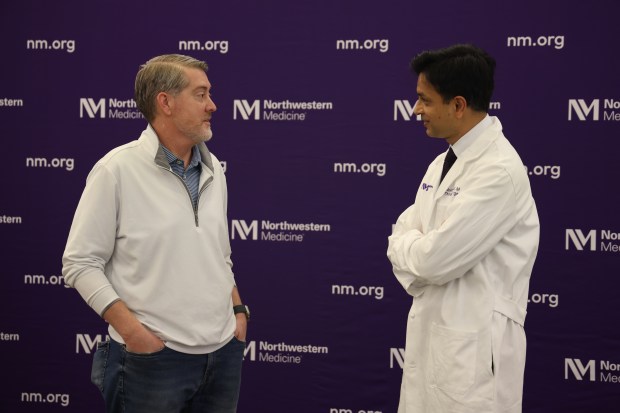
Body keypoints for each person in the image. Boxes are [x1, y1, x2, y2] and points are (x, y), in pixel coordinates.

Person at [62, 54, 249, 413]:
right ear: (165, 102)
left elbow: (219, 254)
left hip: (223, 354)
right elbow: (80, 263)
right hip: (152, 361)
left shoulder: (214, 170)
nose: (213, 105)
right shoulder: (116, 170)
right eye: (200, 94)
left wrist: (237, 312)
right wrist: (134, 334)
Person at [387, 44, 539, 413]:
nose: (416, 110)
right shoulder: (442, 162)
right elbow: (402, 235)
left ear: (457, 105)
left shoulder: (498, 171)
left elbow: (434, 261)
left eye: (425, 100)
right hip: (435, 347)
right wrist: (417, 253)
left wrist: (418, 255)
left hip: (473, 360)